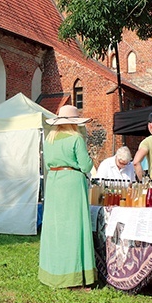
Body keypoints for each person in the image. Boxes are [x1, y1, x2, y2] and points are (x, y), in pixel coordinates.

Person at [38, 105, 96, 290]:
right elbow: (86, 166)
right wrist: (91, 159)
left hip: (54, 182)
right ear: (75, 123)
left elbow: (47, 164)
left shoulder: (49, 139)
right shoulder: (76, 139)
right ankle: (75, 278)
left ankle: (53, 274)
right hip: (72, 182)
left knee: (55, 228)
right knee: (74, 228)